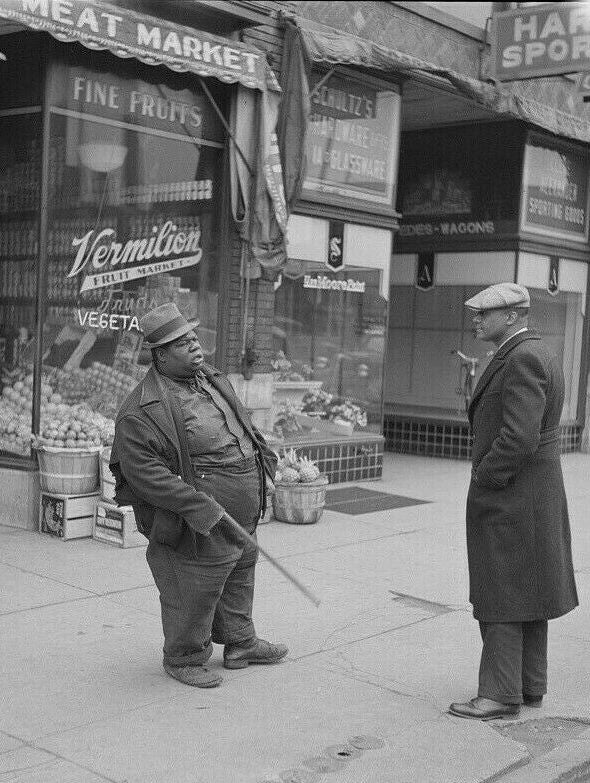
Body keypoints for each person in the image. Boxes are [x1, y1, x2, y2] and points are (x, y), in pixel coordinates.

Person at [110, 303, 287, 688]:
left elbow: (243, 424)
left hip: (241, 508)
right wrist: (199, 506)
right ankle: (184, 657)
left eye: (193, 337)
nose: (195, 346)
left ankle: (241, 643)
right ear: (160, 355)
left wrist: (264, 464)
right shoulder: (142, 410)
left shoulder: (210, 379)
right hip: (197, 518)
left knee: (240, 569)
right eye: (182, 342)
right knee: (195, 584)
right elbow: (143, 473)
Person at [449, 283, 578, 720]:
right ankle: (528, 686)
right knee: (528, 590)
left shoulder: (520, 356)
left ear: (512, 315)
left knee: (502, 588)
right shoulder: (534, 351)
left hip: (512, 493)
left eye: (485, 313)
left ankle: (500, 694)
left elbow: (518, 437)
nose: (476, 320)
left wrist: (486, 477)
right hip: (532, 493)